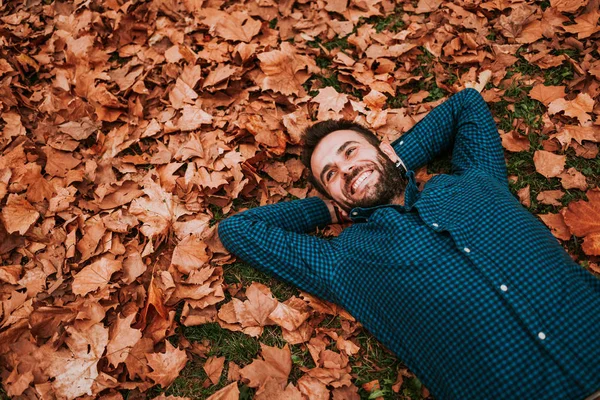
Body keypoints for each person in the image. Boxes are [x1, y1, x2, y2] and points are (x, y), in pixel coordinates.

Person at [218, 88, 600, 399]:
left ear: (385, 150)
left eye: (350, 151)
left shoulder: (476, 179)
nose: (346, 168)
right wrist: (329, 209)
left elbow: (465, 104)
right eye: (331, 174)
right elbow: (240, 229)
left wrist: (390, 163)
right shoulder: (345, 262)